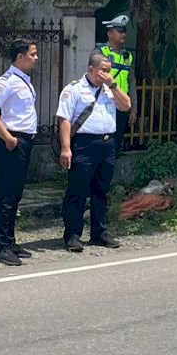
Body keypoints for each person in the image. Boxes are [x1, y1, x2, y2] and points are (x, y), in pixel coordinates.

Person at [56, 51, 131, 252]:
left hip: (107, 144)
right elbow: (64, 119)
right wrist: (66, 148)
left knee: (101, 190)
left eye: (109, 71)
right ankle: (72, 234)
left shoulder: (110, 89)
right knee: (77, 191)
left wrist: (113, 85)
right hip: (84, 144)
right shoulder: (74, 89)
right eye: (103, 71)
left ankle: (100, 232)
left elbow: (126, 106)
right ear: (91, 69)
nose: (106, 74)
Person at [0, 40, 39, 266]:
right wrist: (7, 138)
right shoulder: (7, 81)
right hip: (12, 142)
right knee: (6, 194)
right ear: (19, 57)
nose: (36, 58)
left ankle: (10, 240)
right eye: (32, 54)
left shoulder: (23, 80)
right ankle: (1, 246)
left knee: (15, 193)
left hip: (23, 141)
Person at [102, 13, 135, 146]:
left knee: (116, 145)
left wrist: (133, 109)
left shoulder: (128, 56)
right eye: (119, 31)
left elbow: (131, 83)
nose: (123, 35)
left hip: (122, 106)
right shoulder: (101, 53)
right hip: (104, 105)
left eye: (124, 32)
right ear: (110, 33)